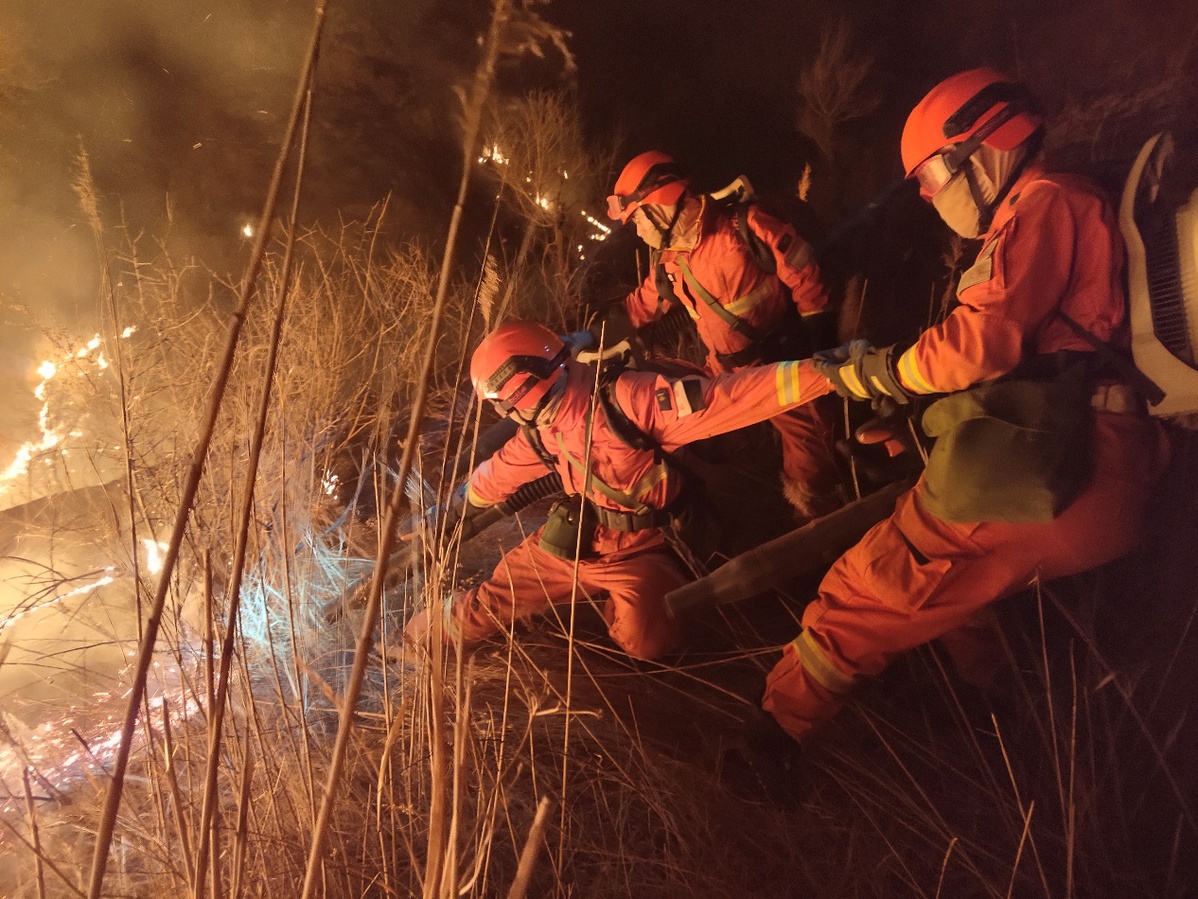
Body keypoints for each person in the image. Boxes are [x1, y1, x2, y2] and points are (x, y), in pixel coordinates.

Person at [758, 67, 1170, 744]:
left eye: (928, 175)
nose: (923, 194)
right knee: (954, 585)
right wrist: (917, 420)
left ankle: (768, 740)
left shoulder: (1045, 204)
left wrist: (883, 373)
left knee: (868, 587)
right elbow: (1041, 354)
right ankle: (1005, 719)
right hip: (1088, 454)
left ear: (978, 152)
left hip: (1069, 462)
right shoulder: (1051, 207)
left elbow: (981, 342)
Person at [403, 320, 834, 660]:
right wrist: (446, 512)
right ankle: (411, 642)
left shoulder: (630, 399)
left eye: (501, 402)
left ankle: (611, 609)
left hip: (642, 548)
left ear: (519, 391)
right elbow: (496, 476)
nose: (502, 412)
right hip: (576, 541)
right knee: (492, 602)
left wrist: (835, 374)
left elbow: (735, 396)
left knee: (647, 642)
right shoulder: (542, 428)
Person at [606, 151, 844, 523]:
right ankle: (732, 509)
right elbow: (640, 306)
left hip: (776, 367)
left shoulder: (746, 226)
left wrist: (820, 352)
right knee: (693, 436)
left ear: (660, 207)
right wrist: (593, 337)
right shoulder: (672, 262)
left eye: (636, 218)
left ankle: (819, 532)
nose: (637, 230)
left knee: (810, 461)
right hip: (723, 372)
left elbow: (808, 281)